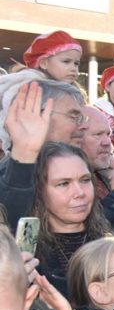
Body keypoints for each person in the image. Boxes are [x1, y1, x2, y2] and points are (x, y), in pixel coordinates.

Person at [0, 81, 90, 228]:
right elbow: (9, 233)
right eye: (74, 117)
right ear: (37, 115)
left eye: (85, 180)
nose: (84, 125)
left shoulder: (80, 164)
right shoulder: (10, 176)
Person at [31, 142, 111, 297]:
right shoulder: (30, 258)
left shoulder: (113, 243)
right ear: (39, 190)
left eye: (85, 180)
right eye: (63, 183)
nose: (79, 192)